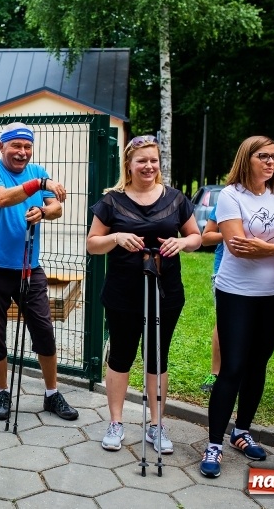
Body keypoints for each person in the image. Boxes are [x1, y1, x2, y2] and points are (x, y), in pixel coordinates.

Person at [199, 136, 274, 479]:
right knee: (232, 366)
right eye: (264, 156)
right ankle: (213, 443)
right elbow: (236, 244)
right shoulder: (231, 195)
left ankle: (241, 431)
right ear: (247, 159)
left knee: (258, 365)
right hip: (237, 292)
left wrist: (266, 247)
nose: (272, 162)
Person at [87, 134, 201, 452]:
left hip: (166, 290)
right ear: (129, 164)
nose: (148, 166)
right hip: (123, 291)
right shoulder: (112, 201)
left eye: (153, 161)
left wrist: (182, 242)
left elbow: (196, 237)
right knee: (121, 356)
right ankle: (116, 422)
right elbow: (93, 244)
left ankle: (156, 425)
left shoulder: (177, 199)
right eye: (142, 161)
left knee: (157, 357)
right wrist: (117, 238)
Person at [0, 122, 78, 423]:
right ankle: (3, 391)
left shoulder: (38, 172)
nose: (22, 152)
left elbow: (57, 207)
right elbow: (3, 198)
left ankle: (51, 393)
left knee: (44, 330)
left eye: (27, 147)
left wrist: (43, 212)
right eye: (16, 146)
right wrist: (40, 186)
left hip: (29, 268)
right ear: (2, 147)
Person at [199, 203, 224, 393]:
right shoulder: (227, 197)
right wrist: (232, 233)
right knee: (222, 323)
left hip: (258, 275)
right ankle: (215, 372)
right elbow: (206, 237)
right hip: (224, 272)